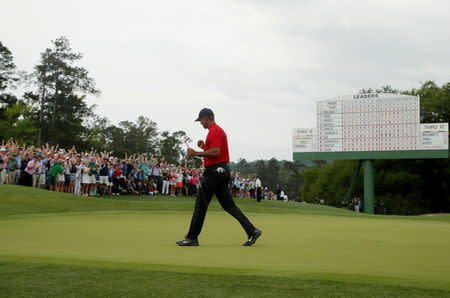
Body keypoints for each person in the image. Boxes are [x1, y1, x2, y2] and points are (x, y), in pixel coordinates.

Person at [176, 108, 261, 247]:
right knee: (228, 205)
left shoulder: (214, 131)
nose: (200, 123)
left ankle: (192, 238)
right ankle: (252, 231)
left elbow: (216, 152)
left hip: (214, 172)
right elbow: (216, 152)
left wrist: (196, 153)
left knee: (200, 205)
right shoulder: (216, 131)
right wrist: (204, 147)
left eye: (201, 120)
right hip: (222, 170)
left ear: (207, 118)